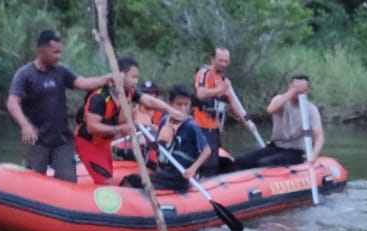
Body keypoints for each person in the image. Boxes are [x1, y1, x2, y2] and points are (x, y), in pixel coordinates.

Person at [5, 30, 111, 182]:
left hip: (62, 140)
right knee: (34, 183)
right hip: (38, 139)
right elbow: (12, 102)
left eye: (60, 52)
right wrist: (25, 126)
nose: (58, 56)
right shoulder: (25, 74)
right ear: (42, 50)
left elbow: (83, 83)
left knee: (68, 181)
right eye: (55, 52)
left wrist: (107, 78)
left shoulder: (61, 71)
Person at [74, 56, 169, 182]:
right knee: (106, 182)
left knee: (108, 177)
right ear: (121, 76)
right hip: (89, 143)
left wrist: (172, 111)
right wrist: (118, 129)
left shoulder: (129, 92)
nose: (136, 82)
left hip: (105, 143)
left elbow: (148, 101)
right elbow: (92, 128)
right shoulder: (100, 97)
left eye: (137, 77)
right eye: (133, 77)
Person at [124, 85, 213, 191]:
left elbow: (206, 151)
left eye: (186, 104)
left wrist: (192, 169)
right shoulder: (164, 121)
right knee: (130, 180)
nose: (183, 108)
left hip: (179, 176)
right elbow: (157, 147)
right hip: (166, 172)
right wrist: (143, 131)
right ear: (170, 104)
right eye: (179, 104)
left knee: (132, 181)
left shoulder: (191, 126)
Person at [227, 74, 325, 171]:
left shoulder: (310, 109)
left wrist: (312, 156)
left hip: (296, 151)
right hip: (275, 146)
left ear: (307, 90)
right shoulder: (280, 100)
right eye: (295, 87)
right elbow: (271, 109)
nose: (299, 91)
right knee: (241, 160)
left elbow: (319, 135)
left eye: (302, 89)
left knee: (265, 163)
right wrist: (293, 91)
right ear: (289, 87)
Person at [192, 46, 256, 174]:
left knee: (214, 161)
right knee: (208, 162)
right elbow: (200, 93)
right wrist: (220, 90)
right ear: (212, 59)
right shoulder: (204, 73)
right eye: (220, 60)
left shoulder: (223, 79)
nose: (223, 64)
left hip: (215, 128)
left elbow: (232, 102)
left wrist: (246, 121)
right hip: (202, 127)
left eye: (226, 61)